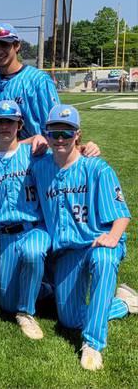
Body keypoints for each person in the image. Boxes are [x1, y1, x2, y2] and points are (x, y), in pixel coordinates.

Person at [32, 104, 137, 371]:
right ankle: (124, 303)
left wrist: (113, 238)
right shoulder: (40, 168)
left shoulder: (96, 168)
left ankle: (92, 345)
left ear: (77, 134)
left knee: (104, 260)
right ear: (46, 133)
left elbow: (121, 214)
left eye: (66, 134)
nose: (59, 140)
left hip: (98, 241)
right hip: (68, 250)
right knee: (69, 320)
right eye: (54, 133)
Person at [0, 101, 51, 339]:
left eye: (10, 122)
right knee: (5, 303)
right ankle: (46, 289)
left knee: (33, 252)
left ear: (19, 125)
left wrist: (86, 146)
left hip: (34, 227)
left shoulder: (35, 155)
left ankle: (26, 314)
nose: (5, 126)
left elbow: (67, 159)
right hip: (6, 237)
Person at [0, 23, 60, 141]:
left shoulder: (39, 80)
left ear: (17, 46)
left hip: (32, 155)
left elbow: (56, 124)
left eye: (4, 44)